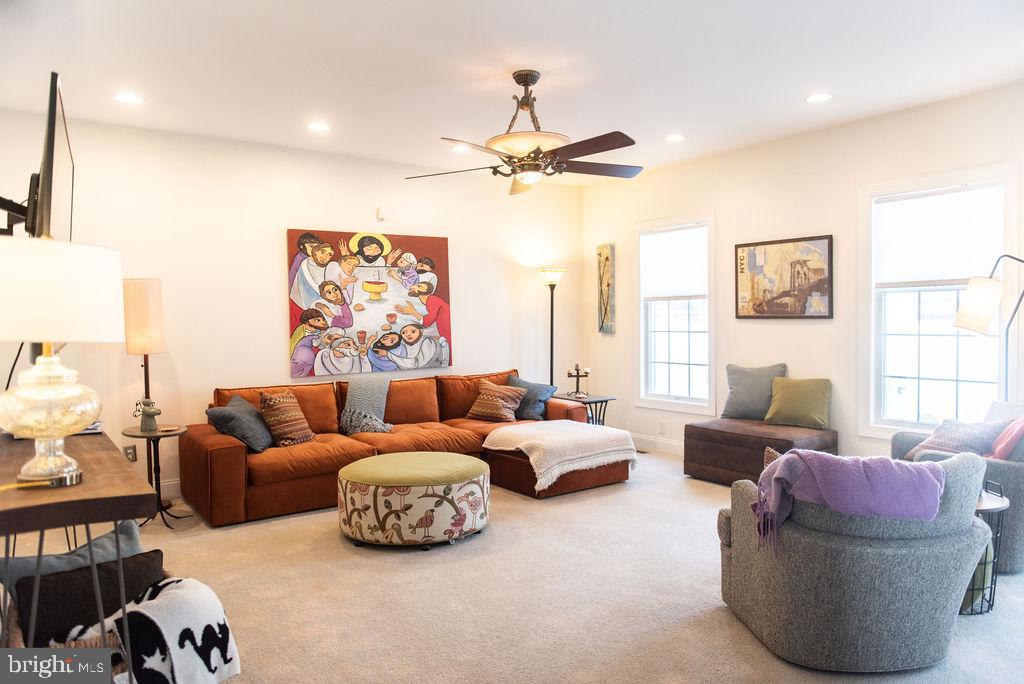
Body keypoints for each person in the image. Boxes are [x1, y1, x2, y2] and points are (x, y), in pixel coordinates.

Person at [394, 272, 451, 349]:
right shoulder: (429, 301)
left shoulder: (432, 300)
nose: (415, 286)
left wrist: (412, 312)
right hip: (444, 333)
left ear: (426, 292)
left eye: (419, 286)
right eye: (417, 285)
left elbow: (427, 322)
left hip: (448, 335)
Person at [290, 242, 340, 309]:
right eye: (322, 252)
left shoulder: (331, 267)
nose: (325, 257)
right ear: (315, 252)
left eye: (329, 255)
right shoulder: (305, 265)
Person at [290, 309, 330, 377]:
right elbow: (292, 346)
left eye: (323, 319)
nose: (323, 322)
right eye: (317, 320)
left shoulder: (324, 332)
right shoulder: (301, 330)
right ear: (307, 322)